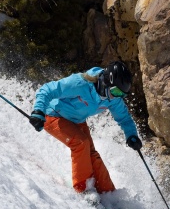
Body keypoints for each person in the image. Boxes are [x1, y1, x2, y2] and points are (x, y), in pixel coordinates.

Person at [28, 61, 143, 194]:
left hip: (76, 121)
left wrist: (132, 135)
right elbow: (47, 89)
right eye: (116, 91)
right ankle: (84, 190)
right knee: (81, 143)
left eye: (122, 94)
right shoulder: (80, 83)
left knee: (91, 154)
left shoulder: (113, 98)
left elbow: (124, 118)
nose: (117, 97)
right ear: (106, 81)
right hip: (53, 115)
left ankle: (108, 193)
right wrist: (38, 111)